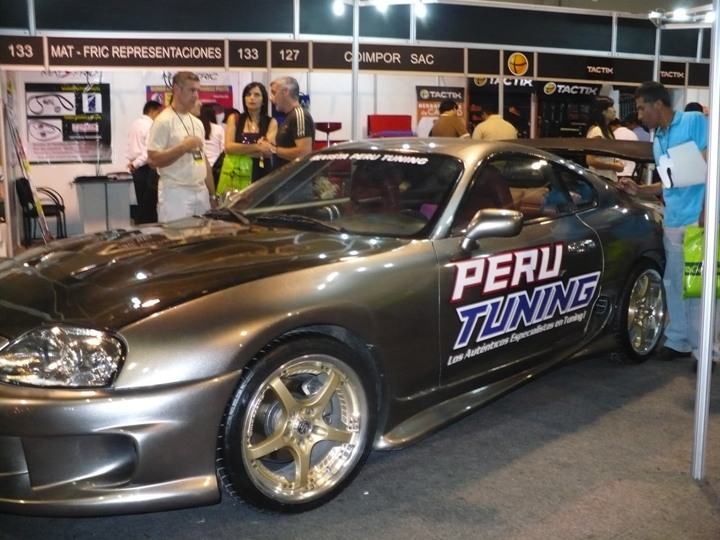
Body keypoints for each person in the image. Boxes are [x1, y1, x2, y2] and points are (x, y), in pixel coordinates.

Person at [617, 81, 710, 365]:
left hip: (698, 219)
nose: (639, 115)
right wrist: (640, 190)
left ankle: (705, 349)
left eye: (642, 108)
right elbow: (669, 182)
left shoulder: (693, 121)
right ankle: (678, 339)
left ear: (658, 104)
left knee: (699, 287)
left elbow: (712, 161)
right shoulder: (657, 139)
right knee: (674, 282)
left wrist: (707, 211)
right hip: (674, 219)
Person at [147, 71, 216, 222]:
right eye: (192, 90)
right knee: (176, 236)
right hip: (176, 193)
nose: (196, 95)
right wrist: (183, 147)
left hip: (201, 192)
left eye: (197, 90)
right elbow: (153, 160)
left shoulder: (197, 122)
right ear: (177, 89)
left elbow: (204, 161)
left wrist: (212, 194)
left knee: (203, 235)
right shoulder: (163, 121)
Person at [223, 82, 277, 183]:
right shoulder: (234, 118)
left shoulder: (271, 122)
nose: (252, 98)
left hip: (262, 173)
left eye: (256, 95)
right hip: (237, 173)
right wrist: (258, 147)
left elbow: (267, 151)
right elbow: (228, 147)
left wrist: (239, 150)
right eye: (248, 94)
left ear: (263, 100)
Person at [259, 76, 315, 167]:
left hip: (295, 175)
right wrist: (269, 145)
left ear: (285, 92)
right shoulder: (289, 116)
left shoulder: (299, 115)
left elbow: (304, 153)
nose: (271, 98)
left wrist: (273, 149)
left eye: (274, 93)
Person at [126, 100, 162, 224]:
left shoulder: (135, 124)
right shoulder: (151, 126)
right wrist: (135, 164)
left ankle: (141, 230)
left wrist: (133, 164)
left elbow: (130, 147)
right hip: (147, 169)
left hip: (136, 169)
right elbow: (149, 152)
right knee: (149, 208)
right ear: (152, 111)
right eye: (159, 113)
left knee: (141, 204)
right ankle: (151, 233)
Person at [585, 96, 625, 182]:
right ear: (603, 111)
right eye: (611, 107)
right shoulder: (597, 131)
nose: (614, 110)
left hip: (608, 179)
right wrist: (614, 166)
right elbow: (590, 160)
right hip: (599, 179)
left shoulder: (607, 131)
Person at [197, 103, 224, 170]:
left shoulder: (196, 128)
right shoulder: (218, 128)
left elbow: (196, 151)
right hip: (216, 166)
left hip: (200, 166)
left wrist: (199, 165)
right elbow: (223, 149)